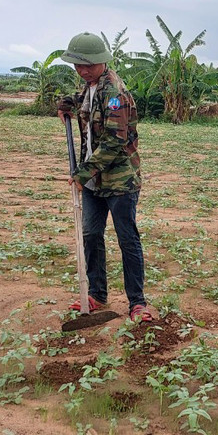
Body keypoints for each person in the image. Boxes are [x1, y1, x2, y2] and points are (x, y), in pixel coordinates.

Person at [57, 31, 153, 323]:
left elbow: (114, 141)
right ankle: (97, 294)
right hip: (93, 182)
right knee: (90, 234)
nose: (83, 70)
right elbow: (81, 101)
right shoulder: (91, 86)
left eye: (88, 65)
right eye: (78, 65)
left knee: (127, 239)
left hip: (119, 182)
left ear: (101, 62)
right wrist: (65, 104)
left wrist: (81, 172)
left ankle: (137, 302)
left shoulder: (115, 94)